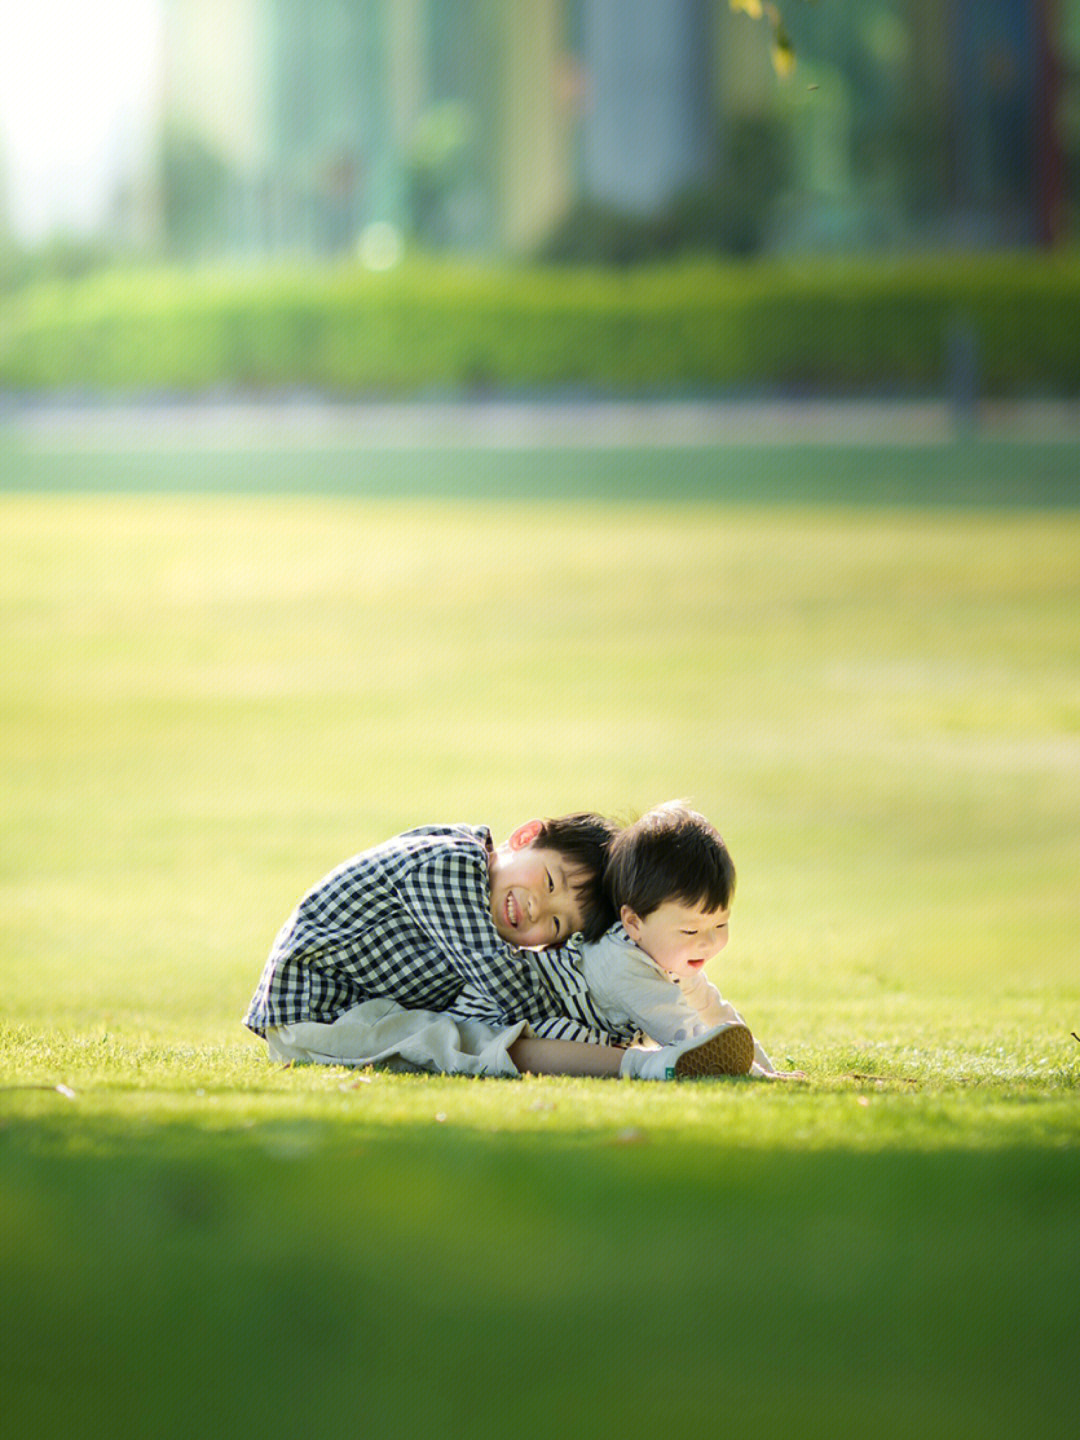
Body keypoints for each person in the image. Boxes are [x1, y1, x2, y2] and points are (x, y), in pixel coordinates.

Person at [244, 813, 754, 1080]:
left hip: (366, 1007)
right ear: (526, 835)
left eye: (556, 925)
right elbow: (507, 986)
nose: (536, 912)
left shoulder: (481, 901)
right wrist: (592, 1015)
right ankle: (645, 1064)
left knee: (482, 1029)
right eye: (550, 883)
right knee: (469, 1043)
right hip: (316, 1018)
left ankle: (646, 1058)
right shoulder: (450, 865)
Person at [555, 802, 804, 1079]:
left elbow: (718, 1017)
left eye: (720, 923)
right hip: (529, 1020)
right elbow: (690, 1038)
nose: (708, 942)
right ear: (634, 923)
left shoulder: (664, 952)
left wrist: (770, 1070)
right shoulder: (621, 963)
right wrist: (758, 1078)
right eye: (690, 931)